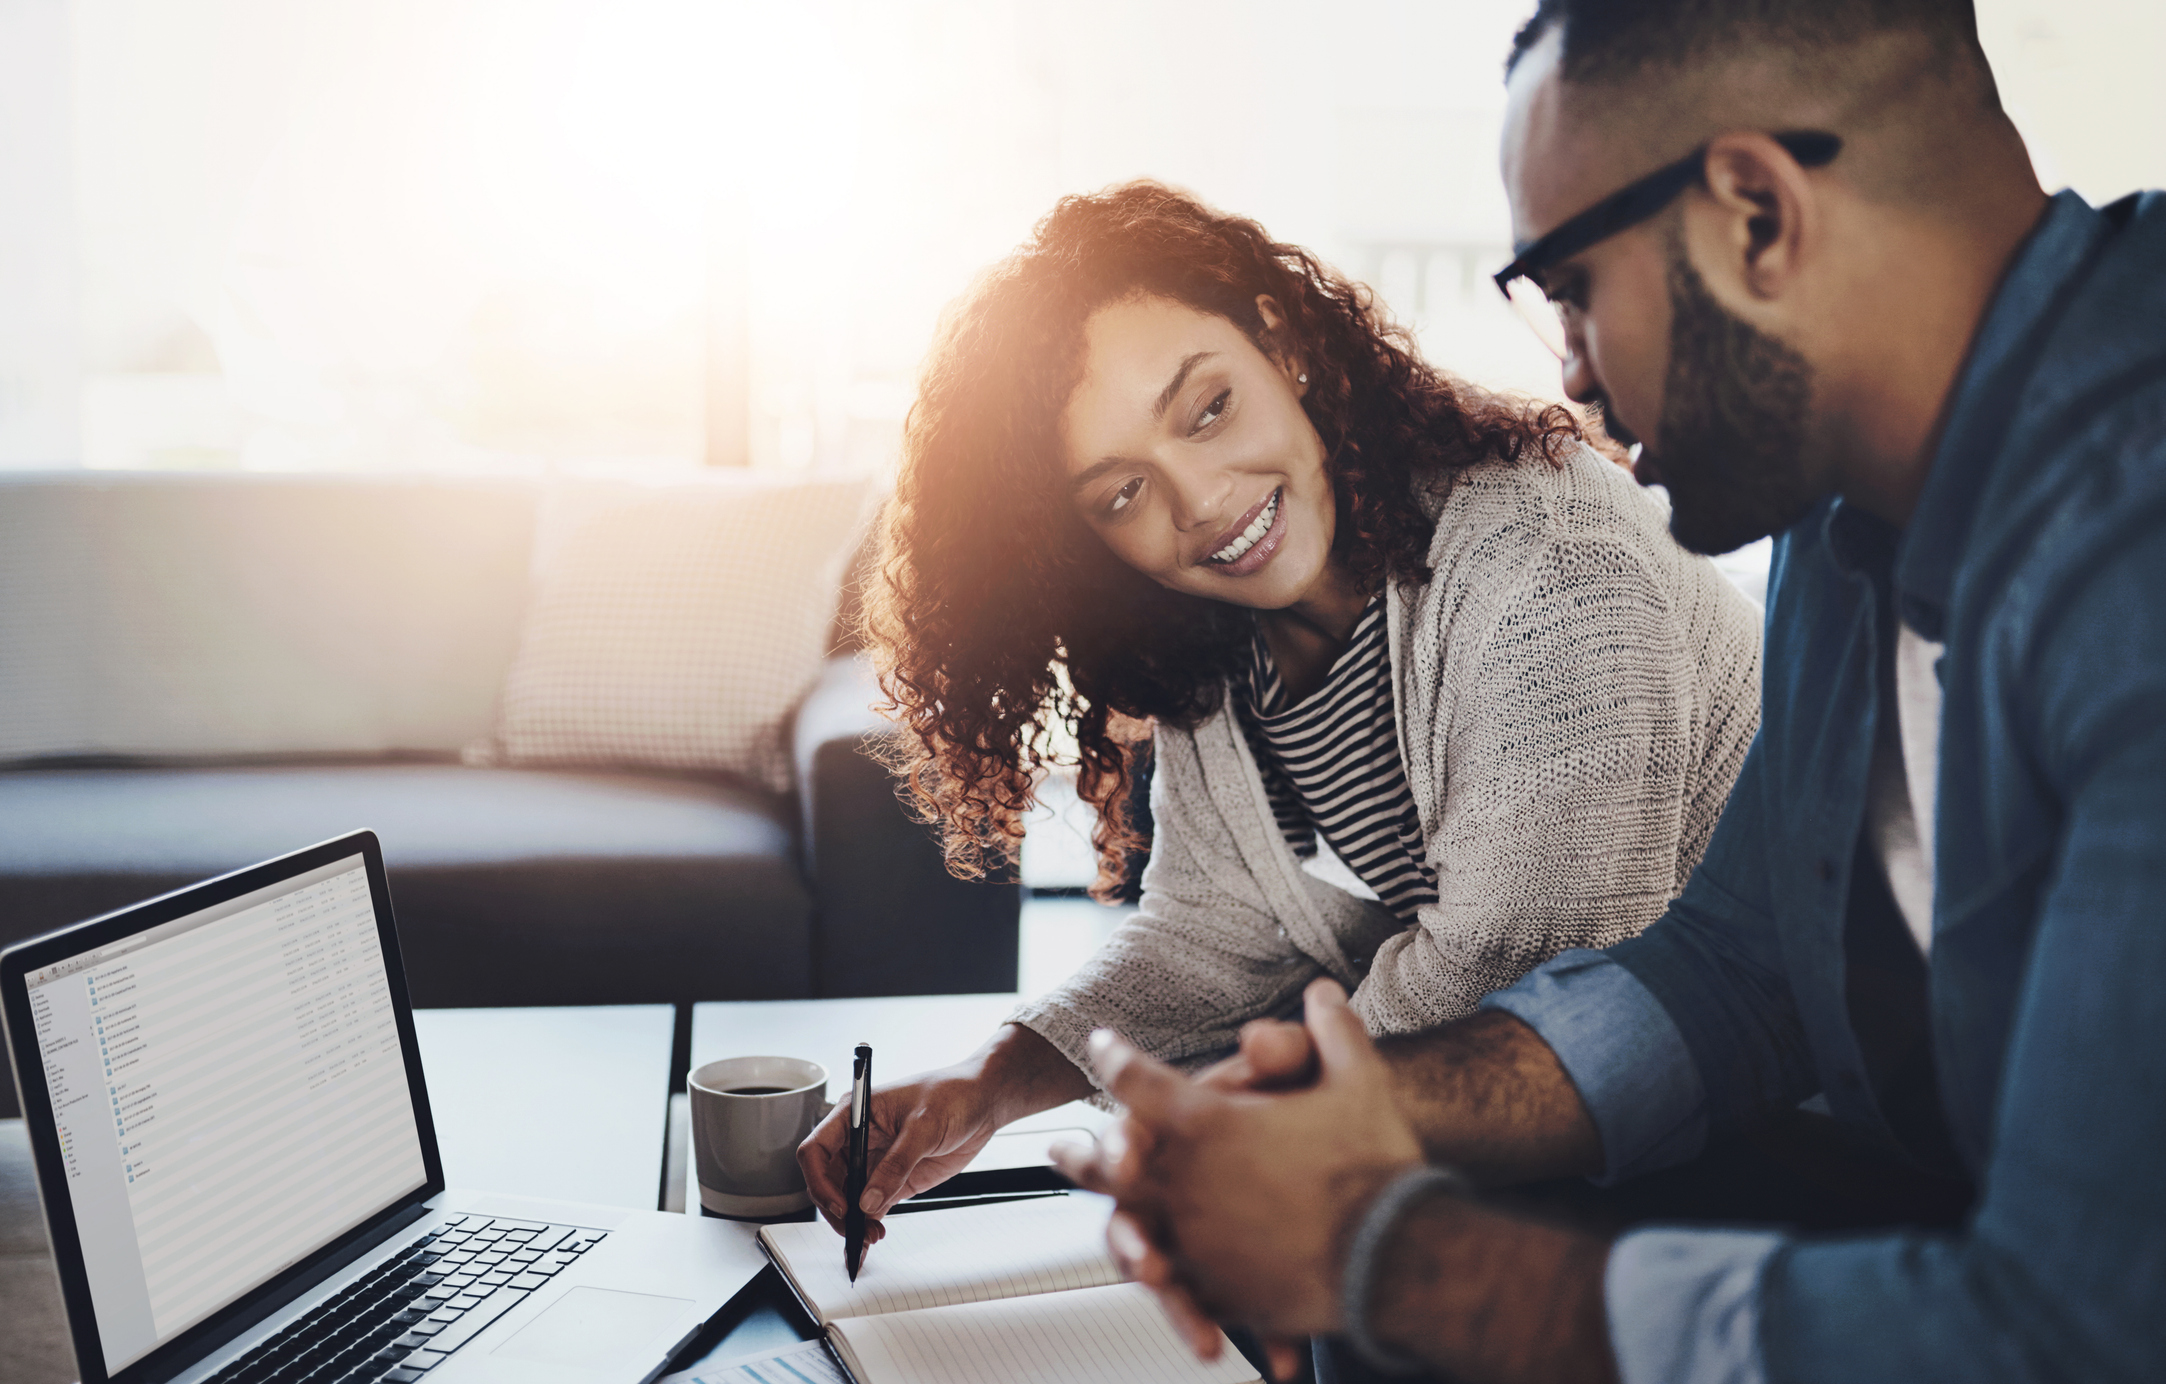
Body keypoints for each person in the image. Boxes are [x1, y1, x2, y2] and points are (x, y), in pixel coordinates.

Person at [1058, 2, 2166, 1382]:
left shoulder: (2132, 535)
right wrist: (1362, 1111)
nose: (1571, 373)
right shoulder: (1843, 510)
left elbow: (2084, 1326)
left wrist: (1380, 1256)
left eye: (1572, 286)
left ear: (1755, 215)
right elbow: (1737, 971)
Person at [799, 183, 1763, 1239]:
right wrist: (990, 1081)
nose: (1201, 501)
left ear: (1283, 343)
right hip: (1548, 1173)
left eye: (1207, 409)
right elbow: (1212, 932)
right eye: (1122, 493)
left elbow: (1511, 989)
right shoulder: (1215, 644)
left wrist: (1229, 1126)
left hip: (1772, 1157)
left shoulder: (1547, 568)